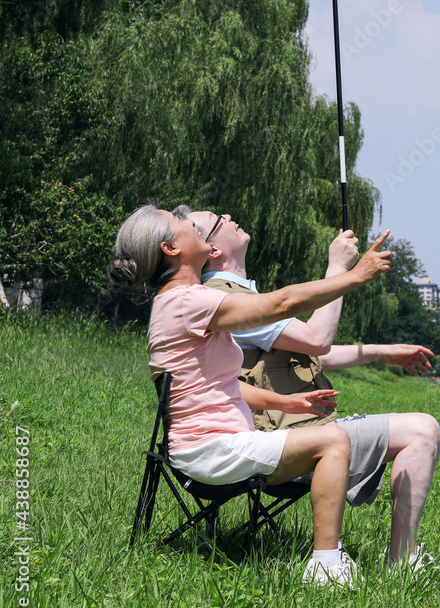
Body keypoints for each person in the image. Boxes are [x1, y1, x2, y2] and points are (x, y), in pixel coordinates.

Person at [108, 204, 391, 588]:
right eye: (185, 224)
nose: (193, 225)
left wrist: (286, 403)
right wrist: (354, 276)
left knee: (330, 438)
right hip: (210, 450)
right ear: (172, 249)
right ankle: (325, 566)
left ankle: (327, 559)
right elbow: (281, 304)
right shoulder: (188, 301)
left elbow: (212, 384)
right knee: (334, 439)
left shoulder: (177, 302)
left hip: (206, 446)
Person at [172, 205, 440, 571]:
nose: (231, 216)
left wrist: (382, 352)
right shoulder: (224, 299)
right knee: (423, 429)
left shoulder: (237, 295)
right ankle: (401, 561)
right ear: (213, 248)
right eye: (220, 220)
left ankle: (398, 559)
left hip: (291, 433)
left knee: (419, 428)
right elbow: (317, 340)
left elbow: (307, 353)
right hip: (282, 441)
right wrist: (339, 269)